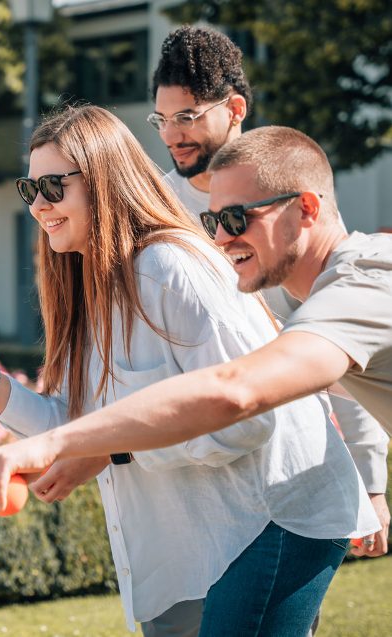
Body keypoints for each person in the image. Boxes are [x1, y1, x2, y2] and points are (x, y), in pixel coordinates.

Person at [0, 106, 379, 636]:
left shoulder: (168, 267)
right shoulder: (90, 285)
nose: (39, 205)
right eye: (30, 189)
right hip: (194, 545)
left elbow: (246, 420)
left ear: (104, 181)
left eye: (52, 186)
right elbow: (69, 431)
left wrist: (111, 448)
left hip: (269, 522)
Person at [149, 25, 389, 561]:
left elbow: (341, 341)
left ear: (234, 108)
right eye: (162, 119)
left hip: (295, 470)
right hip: (200, 471)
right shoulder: (152, 208)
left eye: (188, 116)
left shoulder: (288, 203)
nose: (172, 135)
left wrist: (370, 478)